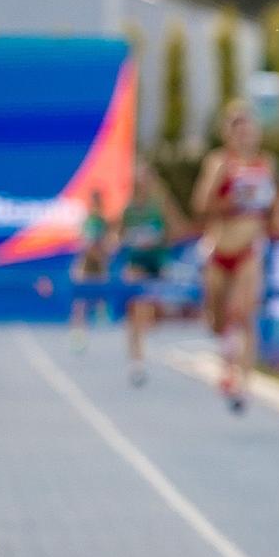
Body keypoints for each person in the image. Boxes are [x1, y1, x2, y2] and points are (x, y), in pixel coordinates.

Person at [191, 100, 279, 413]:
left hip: (250, 248)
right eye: (239, 131)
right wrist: (220, 183)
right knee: (218, 320)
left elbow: (277, 203)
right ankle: (226, 357)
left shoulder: (267, 164)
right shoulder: (219, 162)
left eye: (250, 130)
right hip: (220, 248)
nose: (246, 137)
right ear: (229, 135)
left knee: (245, 314)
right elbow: (200, 204)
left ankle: (241, 384)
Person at [118, 160, 183, 387]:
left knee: (151, 312)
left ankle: (146, 338)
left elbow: (177, 230)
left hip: (158, 263)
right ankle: (136, 360)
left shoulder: (160, 205)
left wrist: (158, 241)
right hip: (137, 263)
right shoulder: (128, 209)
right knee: (137, 308)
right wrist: (128, 241)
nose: (141, 184)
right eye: (138, 180)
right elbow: (119, 236)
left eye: (145, 179)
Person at [69, 187, 116, 354]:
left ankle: (102, 318)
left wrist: (105, 253)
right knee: (80, 303)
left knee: (99, 297)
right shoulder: (89, 221)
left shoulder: (104, 222)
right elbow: (85, 245)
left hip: (98, 265)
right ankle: (78, 334)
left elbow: (109, 244)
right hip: (87, 265)